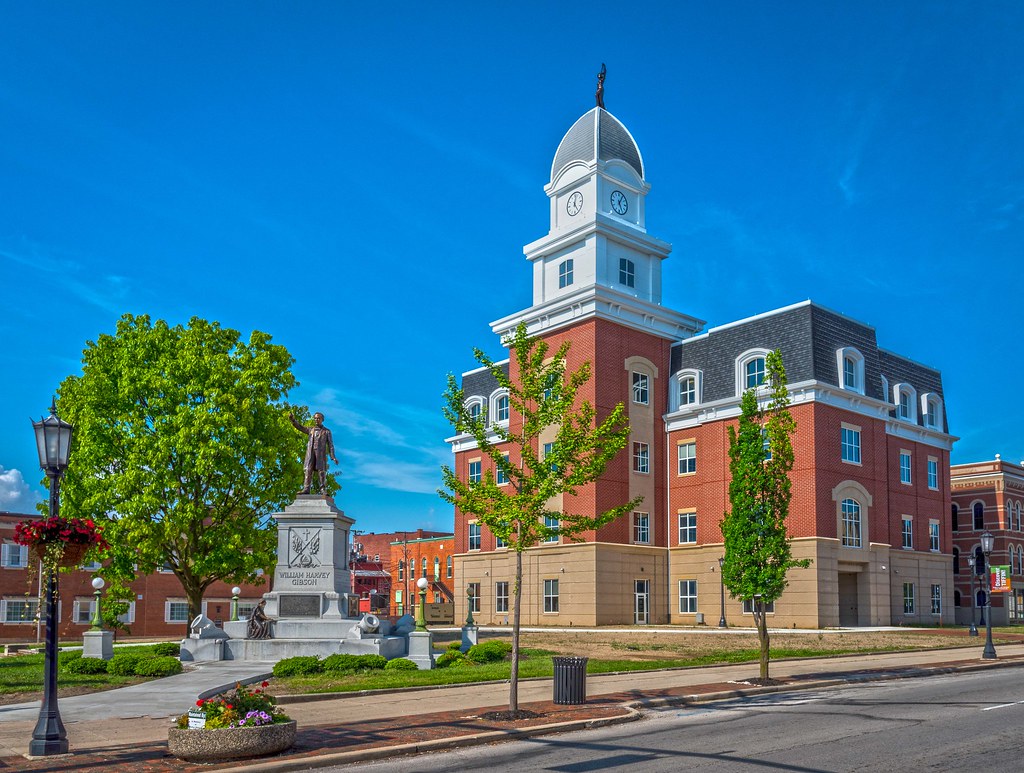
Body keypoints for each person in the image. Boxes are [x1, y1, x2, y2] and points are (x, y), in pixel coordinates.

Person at [289, 411, 338, 494]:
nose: (316, 420)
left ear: (322, 419)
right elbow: (300, 427)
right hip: (311, 452)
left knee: (321, 471)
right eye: (315, 418)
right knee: (308, 470)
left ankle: (323, 489)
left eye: (318, 418)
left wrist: (333, 457)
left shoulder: (327, 431)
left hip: (320, 454)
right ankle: (306, 489)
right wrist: (293, 420)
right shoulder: (310, 430)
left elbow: (330, 445)